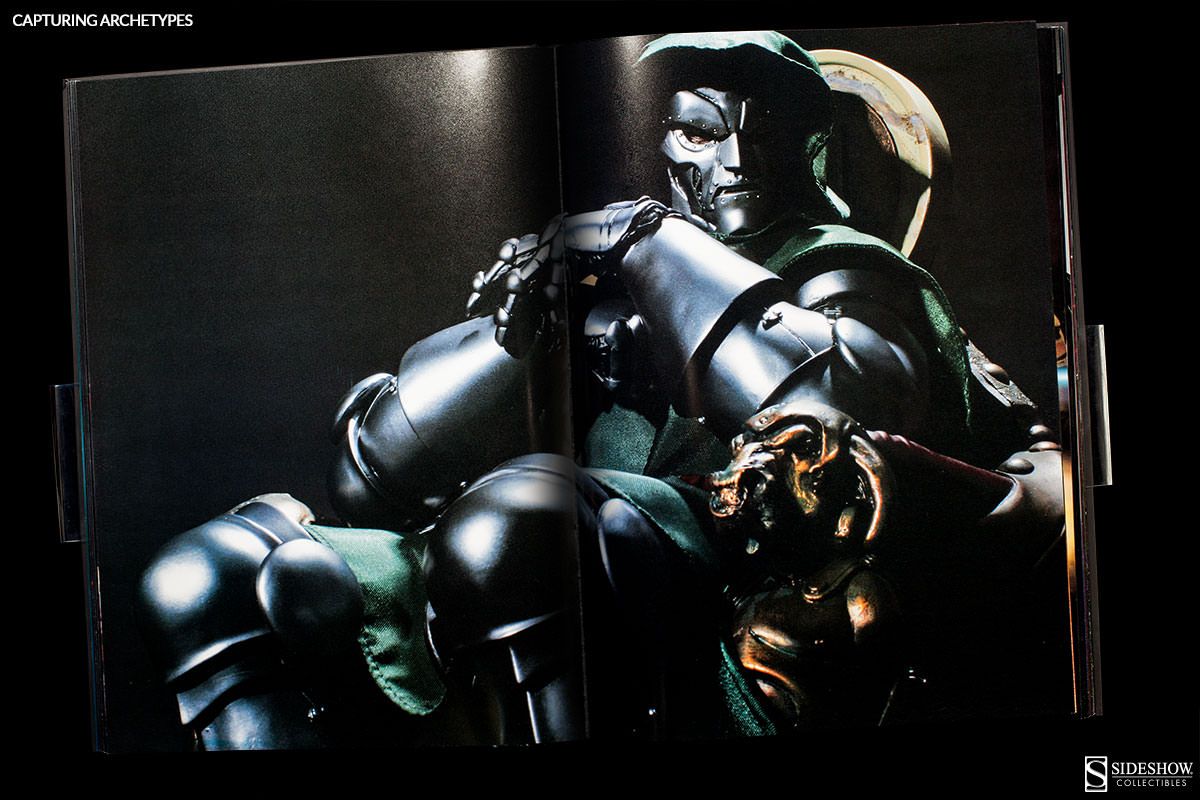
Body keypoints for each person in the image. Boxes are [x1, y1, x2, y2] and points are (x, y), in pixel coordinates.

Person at [137, 31, 1065, 748]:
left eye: (766, 133)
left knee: (517, 524)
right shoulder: (596, 264)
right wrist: (528, 326)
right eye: (702, 131)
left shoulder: (843, 267)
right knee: (213, 574)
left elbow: (833, 419)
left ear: (813, 147)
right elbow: (372, 473)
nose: (737, 162)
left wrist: (646, 238)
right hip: (519, 563)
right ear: (663, 137)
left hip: (719, 573)